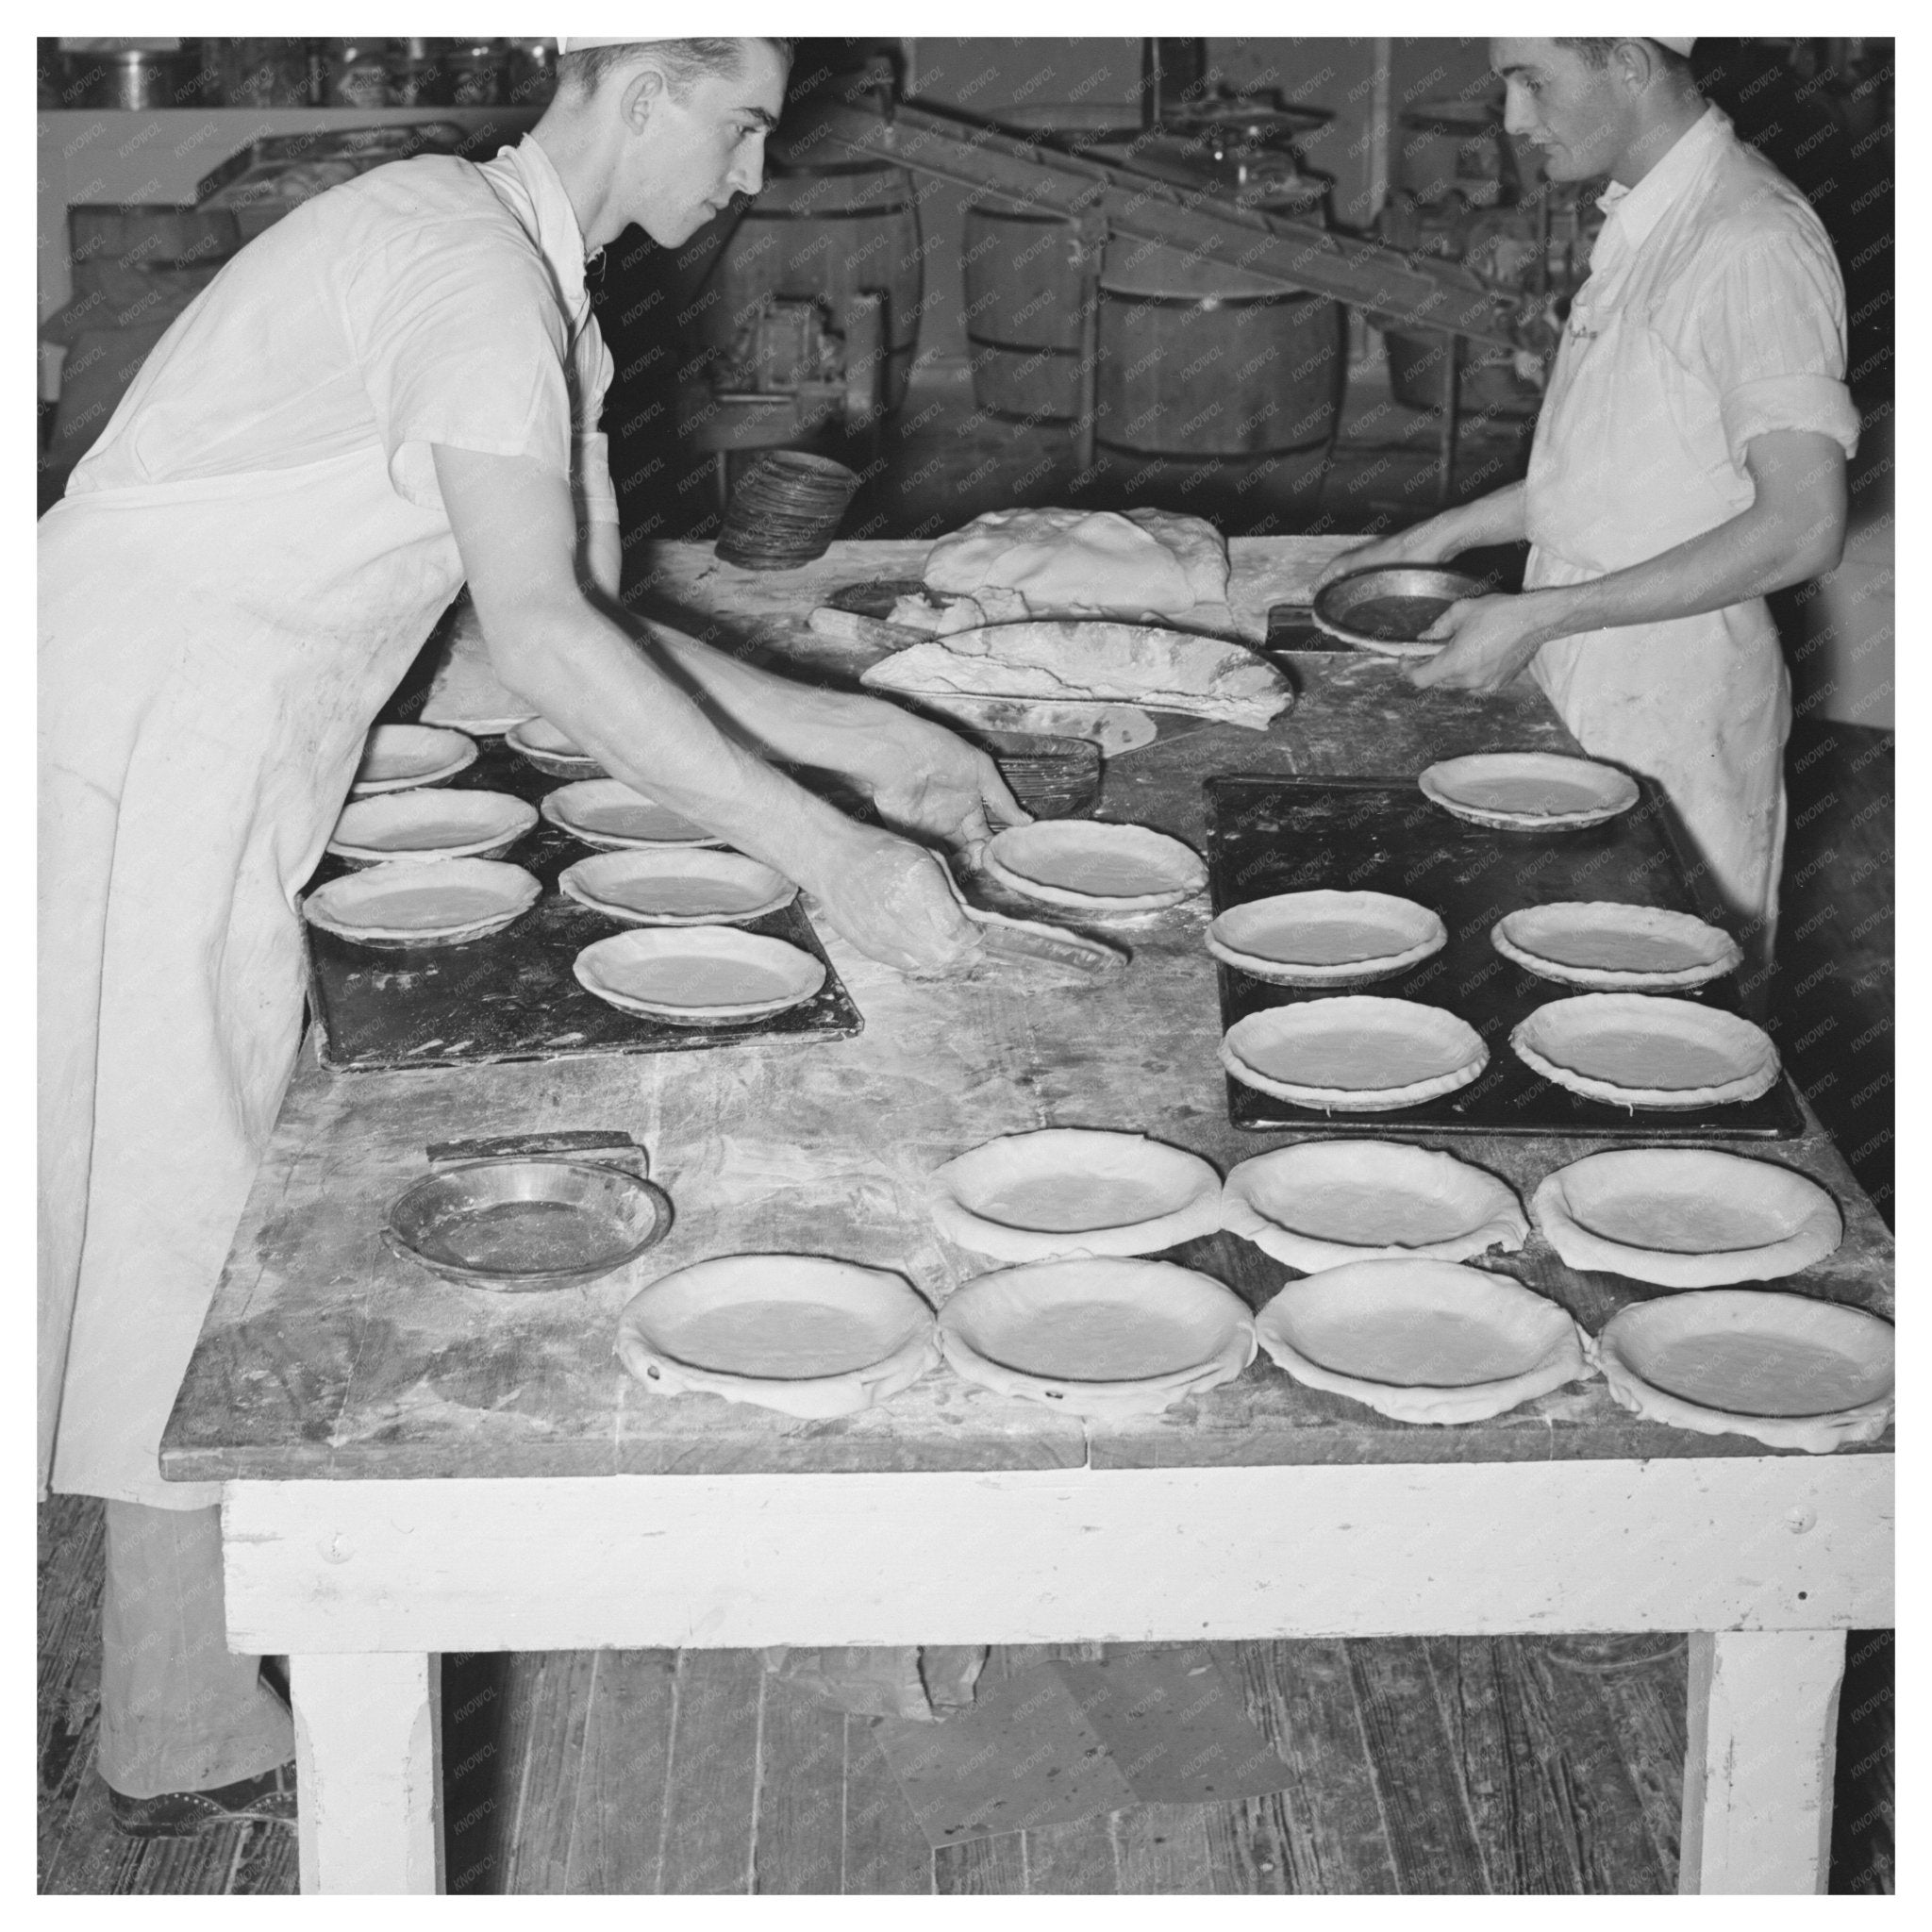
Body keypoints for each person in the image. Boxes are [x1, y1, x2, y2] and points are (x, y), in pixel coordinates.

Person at [38, 35, 1021, 1835]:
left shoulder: (535, 301)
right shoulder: (464, 268)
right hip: (112, 737)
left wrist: (853, 733)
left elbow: (521, 633)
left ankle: (176, 1698)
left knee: (177, 1203)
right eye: (734, 123)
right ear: (642, 79)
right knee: (156, 1205)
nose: (745, 174)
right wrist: (831, 853)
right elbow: (550, 648)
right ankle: (172, 1715)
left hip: (212, 737)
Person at [1320, 36, 1858, 942]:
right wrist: (1439, 537)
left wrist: (1541, 617)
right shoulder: (1649, 217)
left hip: (1671, 683)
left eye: (1533, 82)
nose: (1512, 121)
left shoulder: (1750, 239)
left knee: (1658, 995)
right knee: (1549, 951)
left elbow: (1803, 525)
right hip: (1585, 646)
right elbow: (1624, 472)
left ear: (1630, 66)